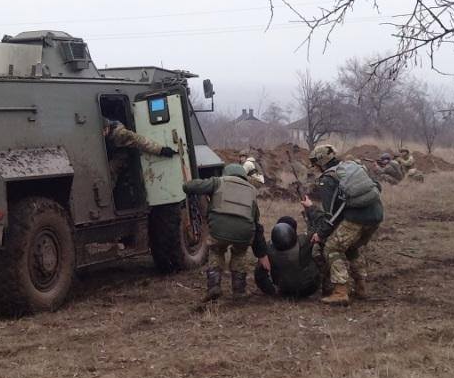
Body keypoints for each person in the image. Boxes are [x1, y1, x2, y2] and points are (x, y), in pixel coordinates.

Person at [301, 144, 384, 306]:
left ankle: (340, 291)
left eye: (315, 164)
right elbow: (377, 186)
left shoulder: (328, 179)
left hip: (357, 218)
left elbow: (331, 215)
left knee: (332, 248)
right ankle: (361, 287)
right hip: (376, 215)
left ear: (321, 162)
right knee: (352, 247)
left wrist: (321, 234)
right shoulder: (352, 167)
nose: (314, 167)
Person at [183, 163, 260, 301]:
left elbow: (191, 187)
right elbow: (255, 218)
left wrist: (186, 185)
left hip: (219, 229)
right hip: (244, 231)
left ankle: (214, 286)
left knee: (216, 251)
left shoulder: (218, 182)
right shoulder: (252, 190)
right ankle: (239, 290)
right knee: (240, 254)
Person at [252, 216, 321, 299]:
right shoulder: (303, 243)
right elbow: (319, 227)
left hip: (283, 291)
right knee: (319, 252)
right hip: (309, 289)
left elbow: (260, 275)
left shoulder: (267, 249)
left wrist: (272, 291)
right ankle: (328, 287)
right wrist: (309, 209)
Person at [103, 119, 177, 178]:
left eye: (104, 131)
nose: (103, 134)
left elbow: (139, 141)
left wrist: (161, 150)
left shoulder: (119, 133)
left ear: (107, 127)